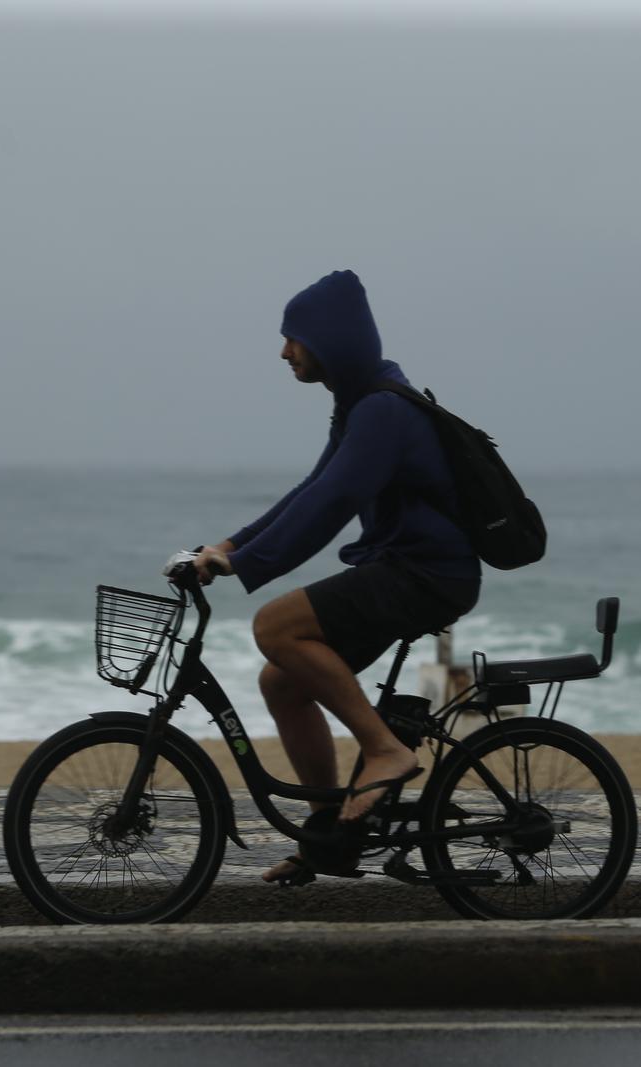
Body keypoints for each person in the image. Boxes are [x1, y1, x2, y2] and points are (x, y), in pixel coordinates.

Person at [190, 269, 480, 885]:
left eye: (293, 337)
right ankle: (329, 838)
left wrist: (245, 565)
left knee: (275, 626)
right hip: (404, 568)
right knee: (283, 681)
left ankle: (385, 751)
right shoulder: (360, 402)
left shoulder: (382, 411)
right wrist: (232, 544)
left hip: (425, 574)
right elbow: (311, 489)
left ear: (330, 340)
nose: (284, 351)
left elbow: (331, 504)